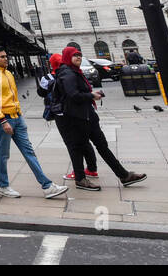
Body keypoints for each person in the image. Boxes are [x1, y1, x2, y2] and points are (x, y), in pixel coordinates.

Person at [54, 46, 145, 190]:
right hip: (77, 118)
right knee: (78, 148)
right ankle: (81, 179)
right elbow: (73, 95)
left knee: (102, 145)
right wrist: (91, 95)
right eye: (74, 55)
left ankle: (124, 175)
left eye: (79, 55)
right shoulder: (68, 73)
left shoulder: (75, 72)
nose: (78, 57)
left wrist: (91, 95)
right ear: (67, 57)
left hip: (87, 116)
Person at [0, 48, 67, 199]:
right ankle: (3, 185)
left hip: (17, 117)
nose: (6, 59)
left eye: (6, 56)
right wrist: (2, 120)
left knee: (29, 151)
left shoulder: (8, 73)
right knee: (3, 154)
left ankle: (47, 186)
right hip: (4, 119)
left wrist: (19, 115)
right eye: (2, 57)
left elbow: (13, 96)